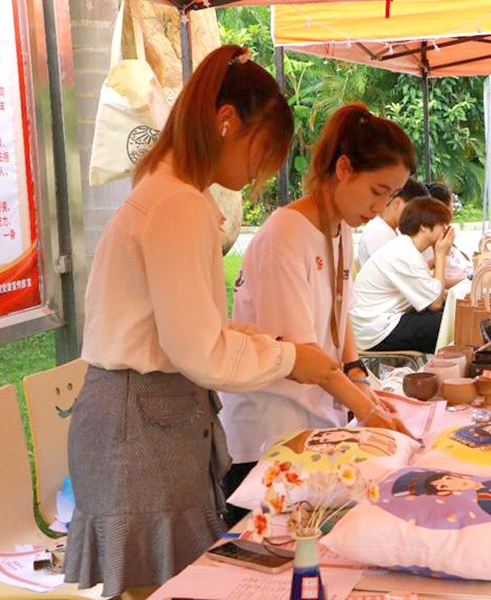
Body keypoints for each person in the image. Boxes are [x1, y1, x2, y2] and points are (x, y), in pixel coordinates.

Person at [63, 46, 339, 596]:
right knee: (165, 587)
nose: (263, 170)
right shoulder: (178, 204)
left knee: (162, 585)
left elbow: (194, 329)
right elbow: (202, 354)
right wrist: (290, 357)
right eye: (263, 150)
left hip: (143, 416)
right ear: (226, 120)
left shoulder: (169, 193)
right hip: (142, 428)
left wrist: (270, 343)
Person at [218, 104, 415, 526]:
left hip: (315, 427)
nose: (381, 207)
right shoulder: (285, 234)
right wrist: (367, 411)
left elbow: (341, 314)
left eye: (390, 196)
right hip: (269, 435)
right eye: (377, 190)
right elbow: (303, 356)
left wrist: (360, 378)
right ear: (344, 168)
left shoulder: (341, 227)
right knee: (278, 552)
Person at [350, 197, 454, 354]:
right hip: (376, 330)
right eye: (443, 225)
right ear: (423, 226)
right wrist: (441, 254)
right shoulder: (405, 253)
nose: (446, 231)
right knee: (446, 322)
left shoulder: (406, 248)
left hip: (382, 322)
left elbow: (434, 294)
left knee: (450, 312)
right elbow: (435, 303)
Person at [356, 177, 428, 267]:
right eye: (414, 212)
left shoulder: (390, 230)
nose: (416, 218)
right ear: (397, 203)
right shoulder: (380, 231)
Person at [425, 181, 472, 286]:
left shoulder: (444, 233)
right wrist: (472, 278)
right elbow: (435, 283)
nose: (453, 208)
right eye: (451, 203)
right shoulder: (430, 239)